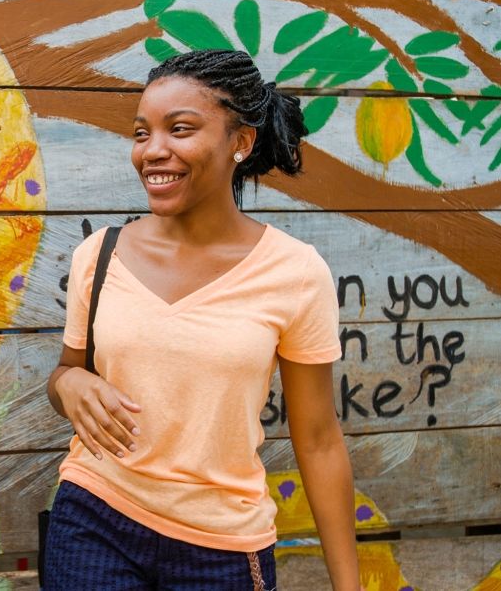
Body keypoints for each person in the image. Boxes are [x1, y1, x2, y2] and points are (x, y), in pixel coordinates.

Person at [44, 50, 359, 590]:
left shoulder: (294, 272)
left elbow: (319, 438)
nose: (153, 151)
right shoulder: (99, 255)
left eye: (181, 129)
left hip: (223, 548)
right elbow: (67, 375)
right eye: (142, 134)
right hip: (95, 521)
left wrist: (348, 587)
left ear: (240, 142)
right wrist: (67, 382)